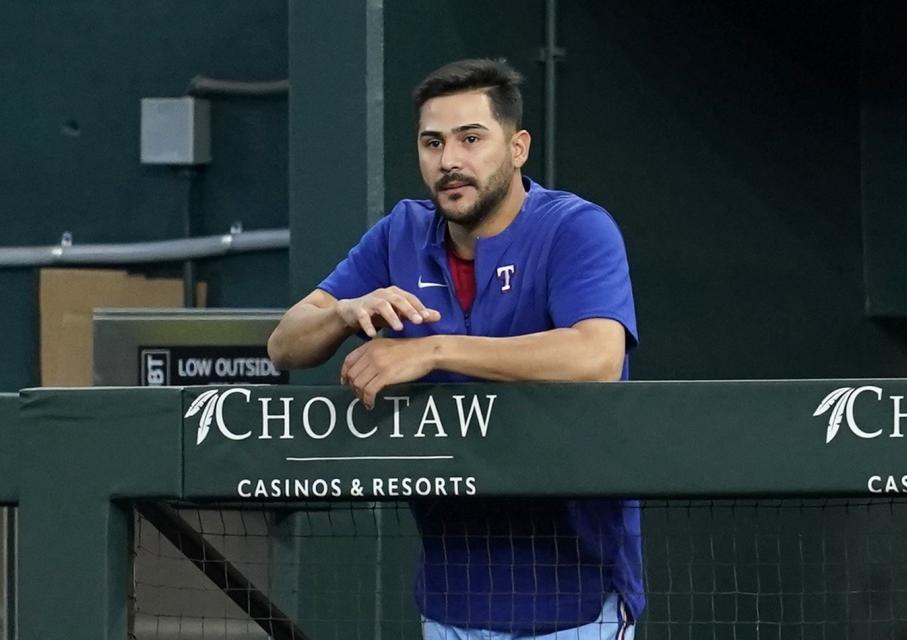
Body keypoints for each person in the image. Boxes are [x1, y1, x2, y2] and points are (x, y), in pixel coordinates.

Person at [268, 58, 643, 640]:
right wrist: (345, 312)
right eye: (432, 142)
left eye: (471, 139)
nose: (450, 161)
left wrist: (434, 350)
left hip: (575, 596)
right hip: (450, 599)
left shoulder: (576, 227)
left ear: (517, 147)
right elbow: (285, 344)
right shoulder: (401, 233)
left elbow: (595, 356)